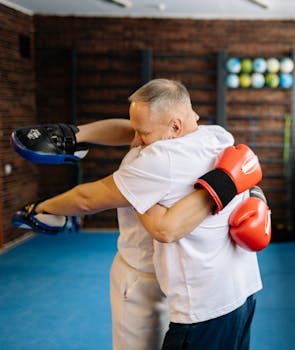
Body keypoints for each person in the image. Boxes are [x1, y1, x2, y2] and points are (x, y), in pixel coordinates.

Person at [11, 79, 270, 350]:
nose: (135, 140)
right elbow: (133, 131)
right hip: (242, 293)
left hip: (186, 300)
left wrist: (39, 209)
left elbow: (87, 200)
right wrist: (78, 135)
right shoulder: (218, 137)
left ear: (175, 126)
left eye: (142, 133)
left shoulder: (155, 161)